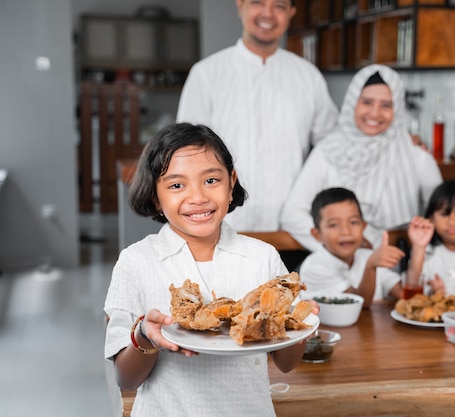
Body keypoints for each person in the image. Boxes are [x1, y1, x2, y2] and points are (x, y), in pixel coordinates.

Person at [103, 123, 317, 417]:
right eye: (177, 185)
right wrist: (144, 336)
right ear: (155, 196)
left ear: (231, 184)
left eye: (211, 180)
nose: (198, 197)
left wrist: (298, 324)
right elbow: (126, 380)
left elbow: (286, 362)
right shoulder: (136, 262)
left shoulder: (261, 257)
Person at [176, 0, 338, 232]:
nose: (268, 14)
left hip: (292, 228)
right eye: (258, 3)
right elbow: (186, 152)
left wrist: (404, 141)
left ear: (291, 12)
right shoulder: (207, 74)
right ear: (240, 4)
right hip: (225, 225)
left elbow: (333, 146)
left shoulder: (308, 77)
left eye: (279, 6)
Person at [280, 64, 443, 253]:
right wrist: (340, 245)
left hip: (401, 265)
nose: (374, 113)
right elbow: (292, 214)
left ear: (398, 109)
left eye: (386, 105)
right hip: (339, 270)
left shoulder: (417, 157)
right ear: (352, 103)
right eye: (367, 102)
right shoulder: (328, 151)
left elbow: (441, 217)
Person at [299, 187, 430, 307]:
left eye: (353, 222)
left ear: (363, 227)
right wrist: (370, 267)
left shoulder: (366, 256)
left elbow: (407, 297)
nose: (346, 231)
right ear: (317, 235)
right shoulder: (315, 266)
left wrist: (419, 247)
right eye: (333, 225)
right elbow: (357, 305)